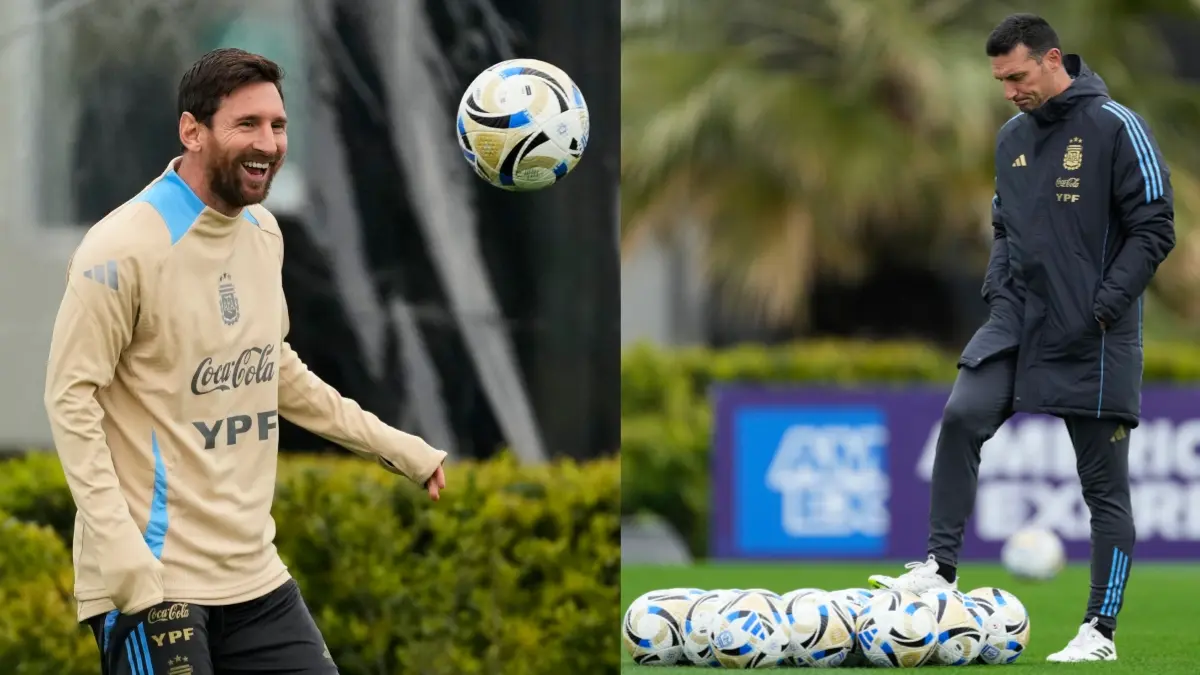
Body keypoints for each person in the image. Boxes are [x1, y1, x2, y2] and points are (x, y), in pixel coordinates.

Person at [43, 47, 448, 675]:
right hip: (155, 581)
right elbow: (70, 400)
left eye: (278, 125)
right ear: (192, 131)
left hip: (255, 577)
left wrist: (395, 445)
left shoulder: (263, 234)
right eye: (247, 125)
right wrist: (121, 553)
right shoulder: (121, 247)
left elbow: (273, 368)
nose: (268, 143)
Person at [866, 14, 1174, 663]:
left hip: (1094, 335)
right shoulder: (1011, 139)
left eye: (1016, 76)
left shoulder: (1118, 128)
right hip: (1018, 322)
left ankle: (1099, 631)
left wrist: (1103, 305)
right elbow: (1004, 228)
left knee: (1105, 492)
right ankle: (939, 567)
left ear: (1052, 59)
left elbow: (1155, 227)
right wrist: (1000, 295)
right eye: (1000, 79)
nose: (1008, 90)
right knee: (960, 416)